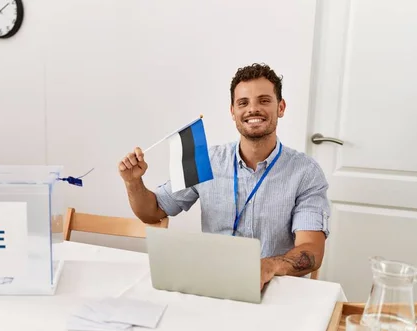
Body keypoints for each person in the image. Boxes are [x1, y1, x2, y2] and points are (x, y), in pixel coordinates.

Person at [117, 63, 330, 289]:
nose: (253, 109)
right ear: (233, 112)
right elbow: (152, 212)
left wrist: (269, 266)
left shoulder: (306, 173)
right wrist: (133, 182)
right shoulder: (205, 161)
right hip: (214, 285)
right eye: (243, 103)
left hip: (275, 290)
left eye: (264, 100)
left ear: (281, 107)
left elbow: (311, 250)